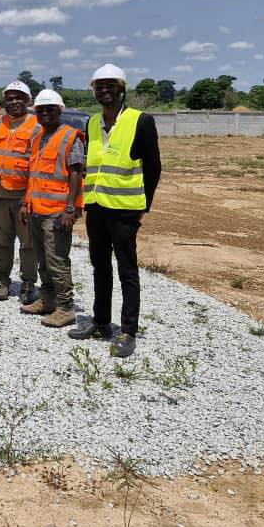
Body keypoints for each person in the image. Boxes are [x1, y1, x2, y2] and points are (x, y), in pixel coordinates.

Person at [68, 64, 162, 358]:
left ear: (122, 89)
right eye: (100, 86)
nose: (105, 91)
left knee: (127, 270)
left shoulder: (141, 121)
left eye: (111, 86)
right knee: (100, 267)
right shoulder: (92, 123)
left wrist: (143, 206)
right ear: (94, 90)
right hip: (96, 207)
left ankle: (128, 330)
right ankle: (100, 321)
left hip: (124, 211)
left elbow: (154, 167)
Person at [19, 89, 84, 328]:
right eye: (40, 110)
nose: (45, 113)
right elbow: (33, 176)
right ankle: (47, 300)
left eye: (50, 109)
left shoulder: (70, 137)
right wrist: (26, 204)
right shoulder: (37, 138)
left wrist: (70, 208)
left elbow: (76, 173)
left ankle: (66, 308)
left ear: (59, 111)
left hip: (57, 212)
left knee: (57, 260)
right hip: (37, 209)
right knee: (42, 260)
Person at [0, 80, 41, 303]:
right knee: (2, 239)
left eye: (19, 97)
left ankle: (28, 283)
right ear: (4, 101)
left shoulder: (37, 126)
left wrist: (29, 197)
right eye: (10, 98)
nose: (14, 101)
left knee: (28, 242)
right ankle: (3, 280)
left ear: (28, 100)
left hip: (24, 196)